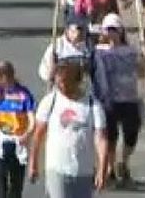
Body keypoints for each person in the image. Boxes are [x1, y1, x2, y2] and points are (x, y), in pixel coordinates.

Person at [29, 62, 107, 198]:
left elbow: (100, 140)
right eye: (58, 84)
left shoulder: (92, 105)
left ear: (78, 82)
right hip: (56, 167)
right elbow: (38, 134)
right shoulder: (50, 101)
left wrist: (102, 170)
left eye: (65, 84)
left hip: (83, 170)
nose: (61, 87)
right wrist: (33, 163)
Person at [90, 14, 144, 185]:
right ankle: (110, 167)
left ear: (121, 31)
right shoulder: (98, 51)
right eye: (108, 29)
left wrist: (144, 56)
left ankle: (124, 163)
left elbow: (142, 72)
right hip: (108, 100)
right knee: (110, 137)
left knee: (131, 135)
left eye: (115, 29)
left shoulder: (131, 51)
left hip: (130, 98)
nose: (111, 33)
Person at [0, 61, 36, 198]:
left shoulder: (23, 94)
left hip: (17, 142)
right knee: (0, 187)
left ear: (4, 78)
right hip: (0, 142)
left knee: (16, 187)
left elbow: (32, 120)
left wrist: (27, 134)